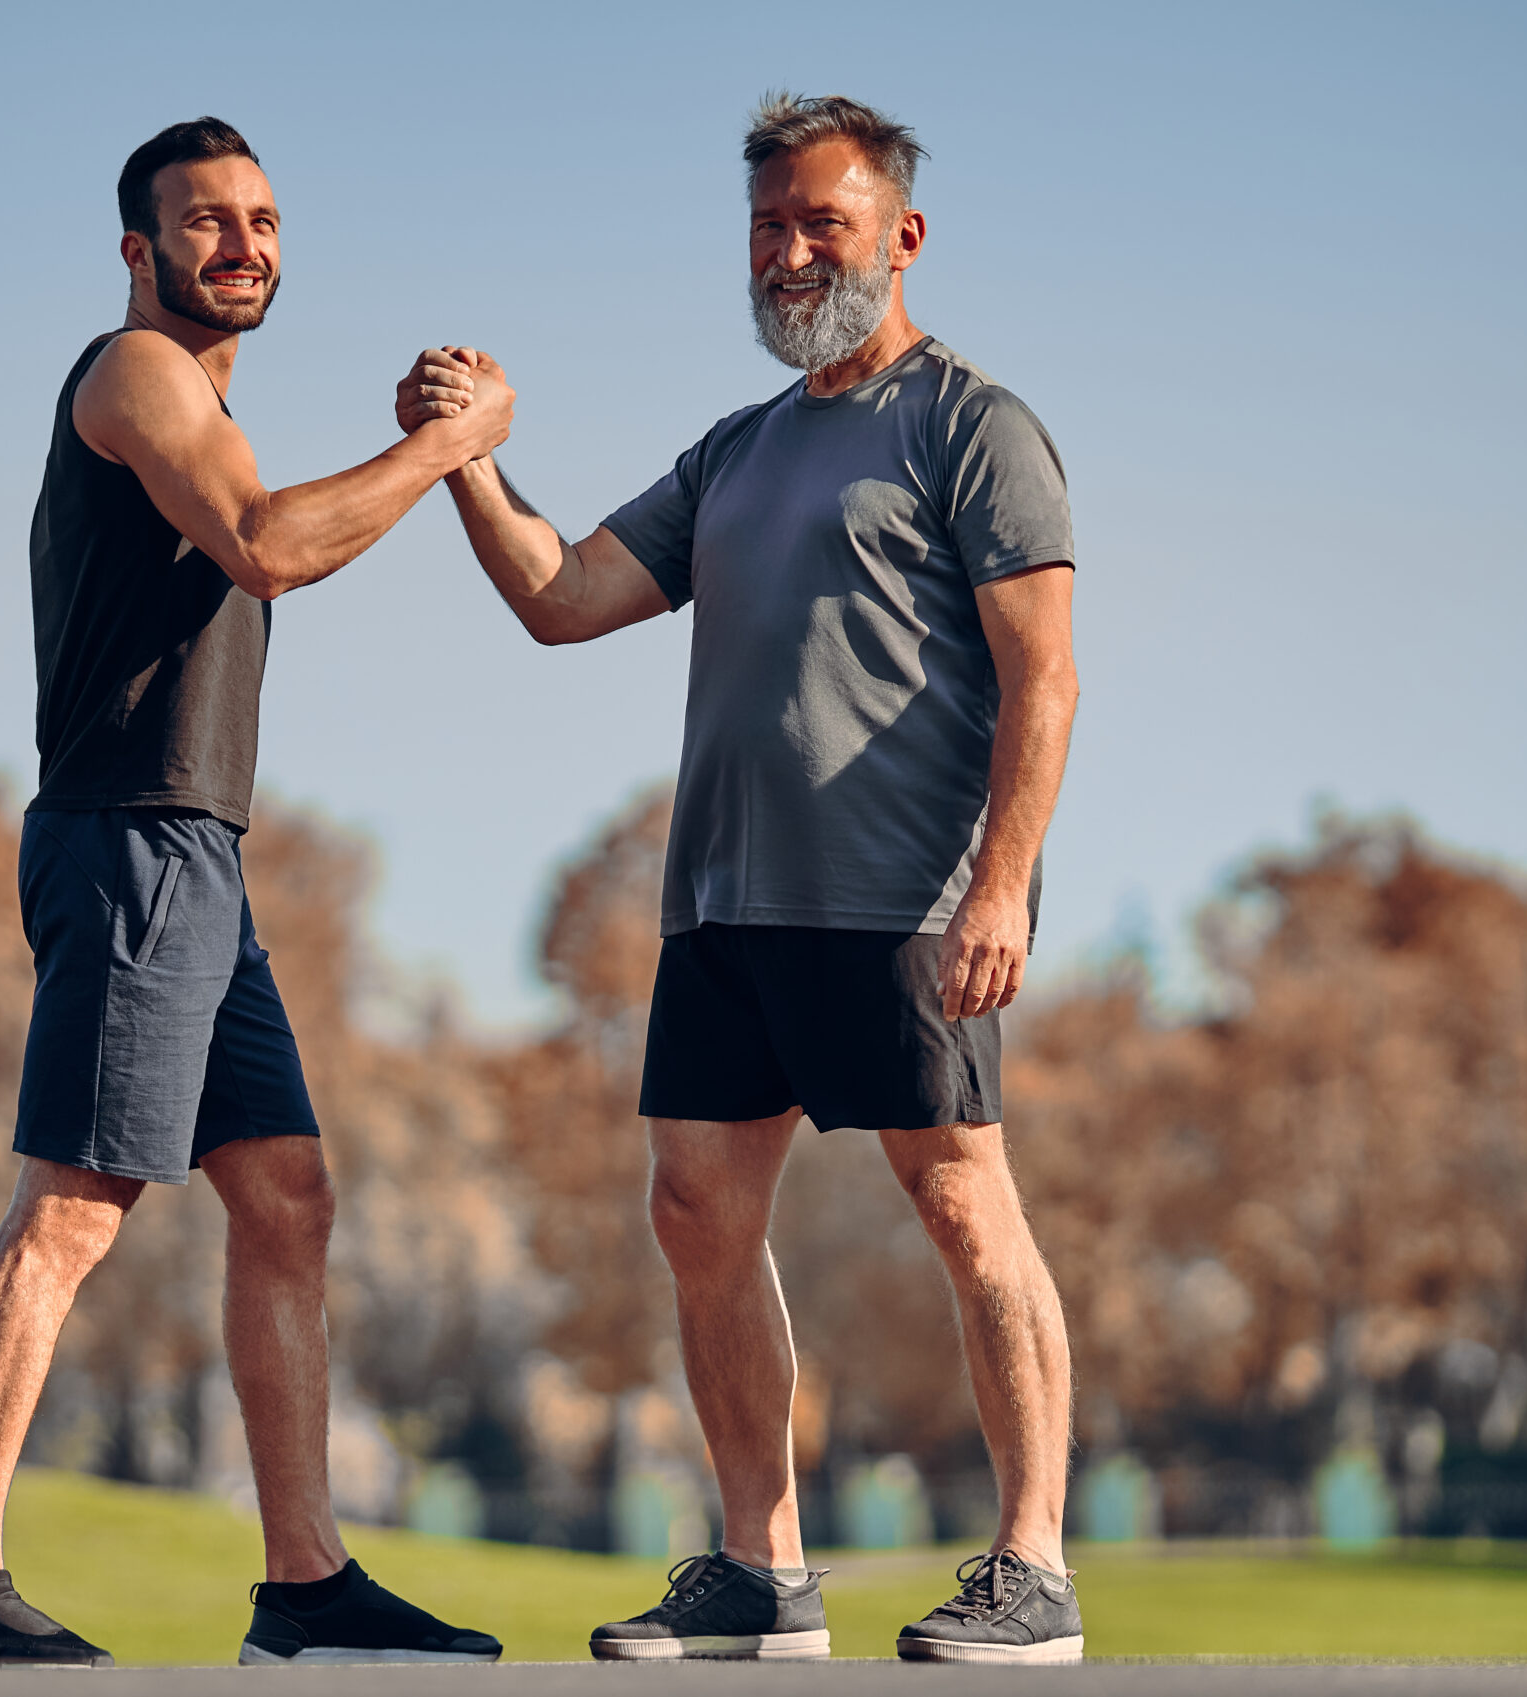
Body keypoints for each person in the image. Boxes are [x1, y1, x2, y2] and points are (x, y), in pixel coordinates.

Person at [400, 92, 1083, 1665]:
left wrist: (1001, 885)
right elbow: (563, 598)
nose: (787, 254)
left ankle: (1033, 1566)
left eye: (819, 225)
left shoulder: (974, 425)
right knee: (697, 1208)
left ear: (899, 236)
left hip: (905, 900)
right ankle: (761, 1571)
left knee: (966, 1200)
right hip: (723, 903)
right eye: (768, 227)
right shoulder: (737, 450)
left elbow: (1042, 675)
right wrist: (463, 460)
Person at [0, 116, 512, 1670]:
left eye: (265, 220)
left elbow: (265, 519)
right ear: (137, 247)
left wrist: (422, 451)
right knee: (76, 1207)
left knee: (288, 1194)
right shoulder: (136, 375)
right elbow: (265, 544)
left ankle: (303, 1587)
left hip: (198, 858)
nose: (243, 244)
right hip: (127, 840)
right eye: (207, 221)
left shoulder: (206, 401)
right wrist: (448, 445)